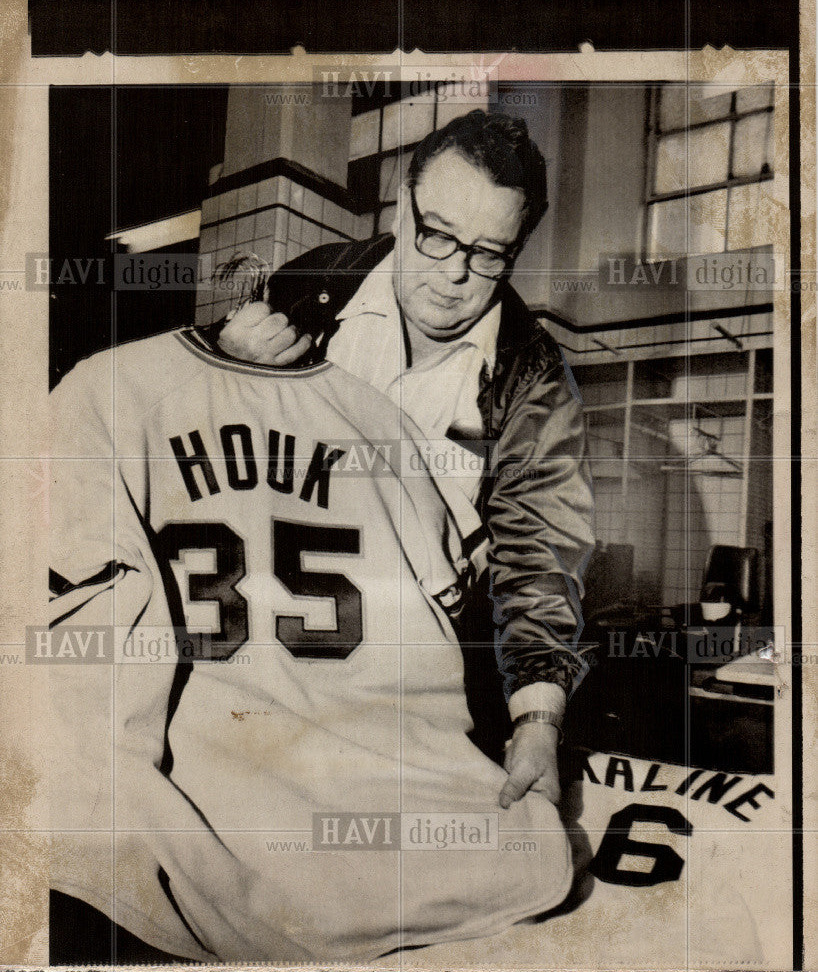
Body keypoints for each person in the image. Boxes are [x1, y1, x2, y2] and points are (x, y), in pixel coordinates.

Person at [48, 324, 574, 961]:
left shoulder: (101, 393)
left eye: (487, 255)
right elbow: (471, 585)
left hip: (195, 804)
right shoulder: (387, 425)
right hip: (389, 812)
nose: (458, 272)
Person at [211, 109, 596, 807]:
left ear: (518, 248)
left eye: (488, 254)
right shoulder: (311, 289)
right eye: (436, 235)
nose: (453, 275)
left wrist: (538, 720)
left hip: (422, 694)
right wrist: (226, 368)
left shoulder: (533, 377)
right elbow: (206, 451)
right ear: (401, 204)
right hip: (269, 667)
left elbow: (539, 557)